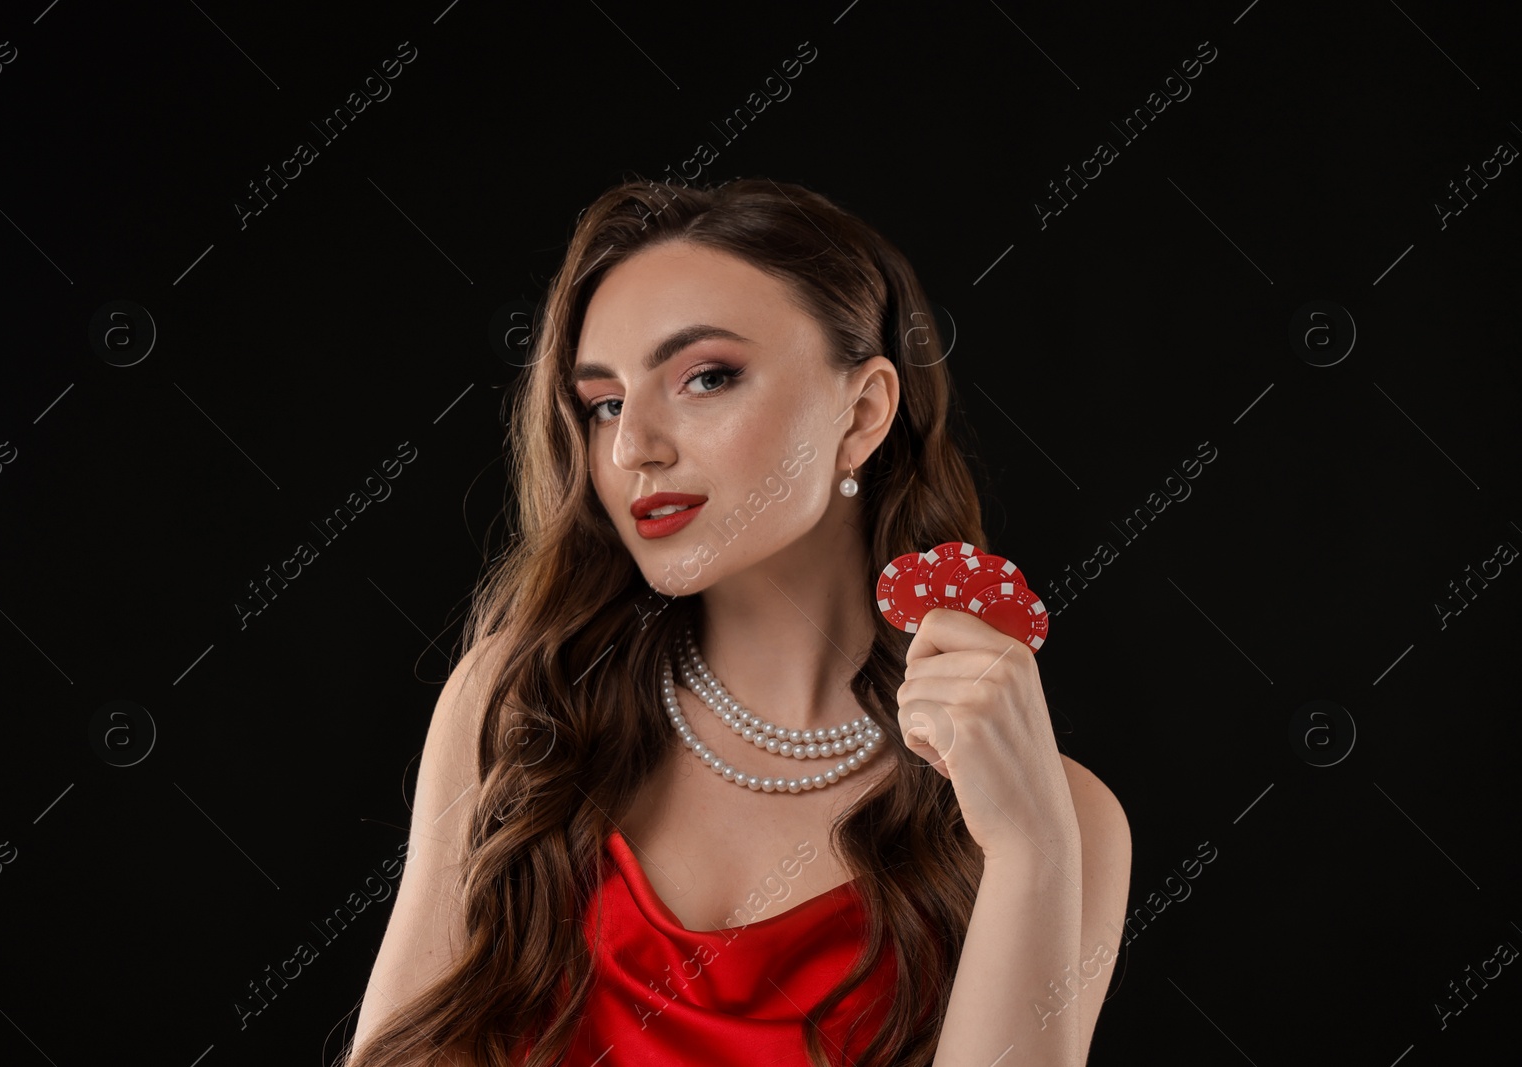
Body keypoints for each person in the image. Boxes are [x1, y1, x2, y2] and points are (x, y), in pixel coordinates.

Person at [344, 176, 1132, 1067]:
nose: (633, 444)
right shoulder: (521, 704)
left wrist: (1029, 849)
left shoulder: (1059, 816)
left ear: (864, 410)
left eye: (706, 377)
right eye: (604, 402)